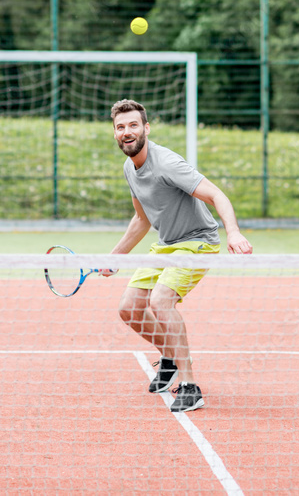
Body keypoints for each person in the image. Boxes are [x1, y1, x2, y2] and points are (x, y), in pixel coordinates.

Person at [106, 98, 252, 413]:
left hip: (197, 242)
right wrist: (115, 256)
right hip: (167, 244)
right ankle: (169, 356)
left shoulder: (168, 163)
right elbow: (142, 219)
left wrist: (234, 232)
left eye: (133, 125)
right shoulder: (130, 167)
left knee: (160, 301)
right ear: (115, 133)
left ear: (146, 128)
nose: (127, 132)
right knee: (129, 309)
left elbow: (216, 195)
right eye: (121, 127)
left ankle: (189, 387)